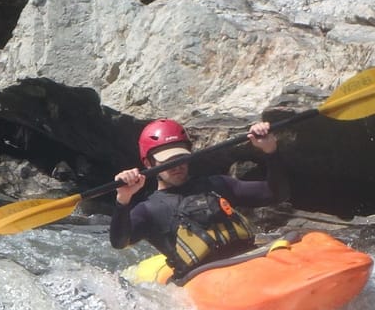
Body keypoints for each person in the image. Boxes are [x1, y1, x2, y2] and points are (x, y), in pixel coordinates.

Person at [110, 118, 290, 279]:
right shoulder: (149, 210)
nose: (177, 166)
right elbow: (119, 242)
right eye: (168, 161)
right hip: (204, 280)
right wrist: (123, 199)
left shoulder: (217, 184)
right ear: (148, 164)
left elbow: (276, 194)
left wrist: (270, 151)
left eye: (180, 158)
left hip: (249, 261)